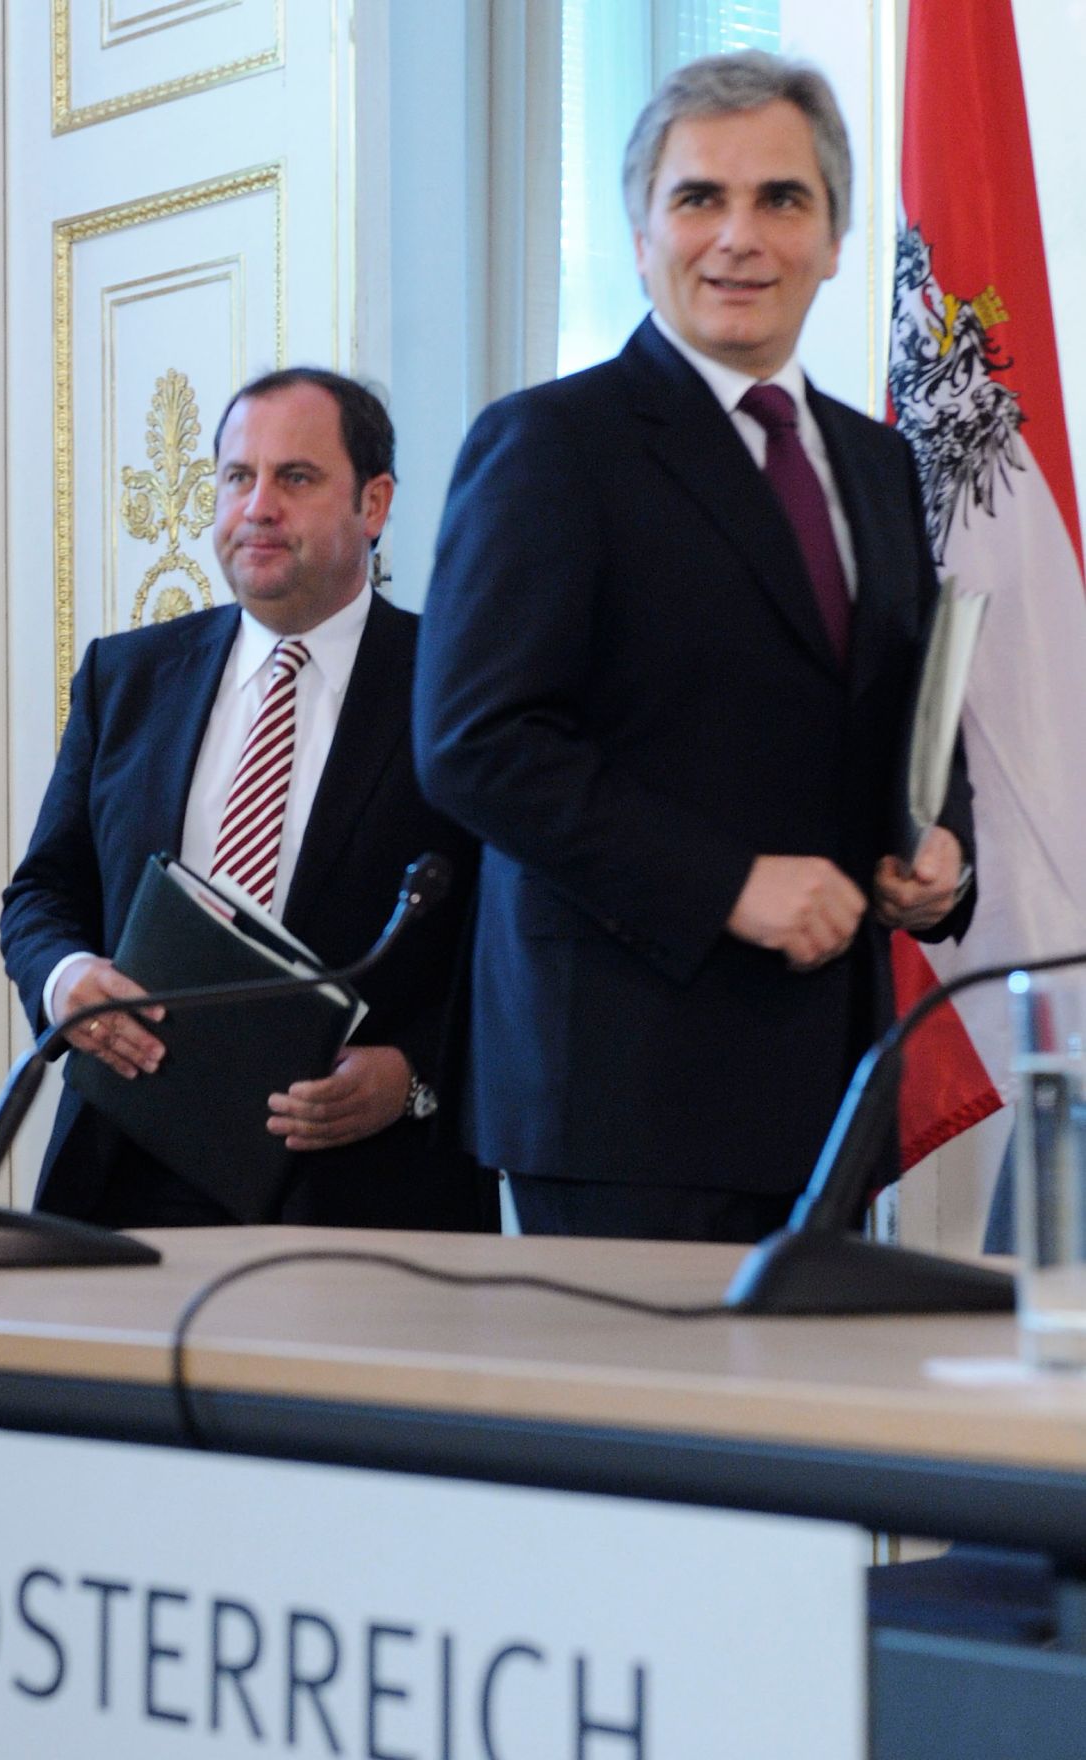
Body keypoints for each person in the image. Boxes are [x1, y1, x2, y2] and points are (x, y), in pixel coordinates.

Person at [413, 51, 975, 1242]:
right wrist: (726, 886)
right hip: (618, 1089)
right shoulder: (551, 444)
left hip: (828, 1079)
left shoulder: (874, 461)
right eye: (697, 199)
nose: (739, 238)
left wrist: (935, 841)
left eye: (782, 199)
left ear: (833, 239)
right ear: (638, 232)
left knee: (801, 1429)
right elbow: (475, 744)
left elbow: (899, 701)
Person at [1, 367, 492, 1231]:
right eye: (237, 477)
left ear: (372, 505)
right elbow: (43, 894)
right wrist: (66, 979)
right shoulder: (127, 678)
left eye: (294, 479)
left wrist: (414, 1076)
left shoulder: (459, 686)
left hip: (365, 1192)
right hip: (124, 1171)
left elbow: (512, 946)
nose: (256, 507)